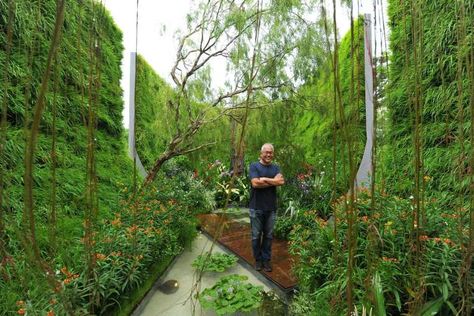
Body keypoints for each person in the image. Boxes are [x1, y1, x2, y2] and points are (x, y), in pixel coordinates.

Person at [248, 143, 284, 272]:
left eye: (271, 152)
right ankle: (258, 260)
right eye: (266, 152)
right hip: (256, 207)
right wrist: (271, 181)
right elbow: (255, 184)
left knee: (268, 236)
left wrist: (263, 179)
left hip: (271, 208)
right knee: (256, 236)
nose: (268, 154)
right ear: (261, 153)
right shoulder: (254, 166)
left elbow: (281, 182)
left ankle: (266, 260)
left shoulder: (276, 167)